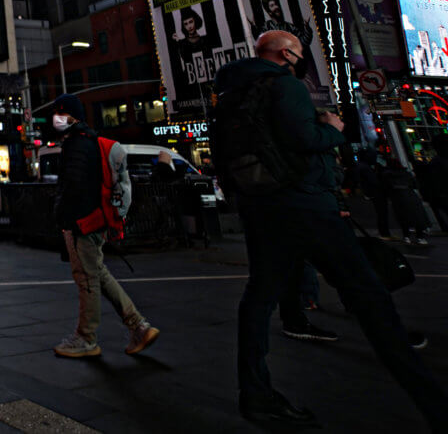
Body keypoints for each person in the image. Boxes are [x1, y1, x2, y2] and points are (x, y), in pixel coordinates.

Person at [214, 30, 448, 428]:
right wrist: (332, 127)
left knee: (260, 298)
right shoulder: (285, 85)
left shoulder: (230, 93)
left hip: (262, 207)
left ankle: (255, 393)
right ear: (286, 53)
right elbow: (304, 139)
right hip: (305, 204)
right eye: (298, 51)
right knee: (370, 298)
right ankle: (433, 404)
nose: (301, 57)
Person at [49, 93, 159, 359]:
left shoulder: (76, 146)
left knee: (87, 279)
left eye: (61, 114)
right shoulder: (89, 141)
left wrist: (66, 219)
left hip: (83, 223)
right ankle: (138, 326)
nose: (56, 119)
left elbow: (74, 186)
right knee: (97, 273)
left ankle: (86, 338)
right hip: (94, 220)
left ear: (72, 117)